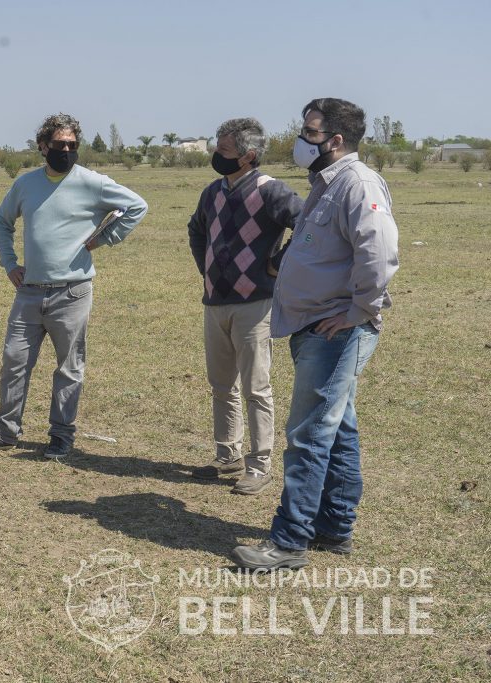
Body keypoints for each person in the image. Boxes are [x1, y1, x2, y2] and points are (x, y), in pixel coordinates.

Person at [232, 98, 399, 569]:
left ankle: (288, 542)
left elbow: (380, 251)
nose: (301, 140)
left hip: (336, 330)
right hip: (312, 325)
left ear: (336, 140)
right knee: (338, 429)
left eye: (309, 132)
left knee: (308, 434)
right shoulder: (326, 184)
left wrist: (357, 311)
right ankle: (334, 527)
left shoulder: (358, 183)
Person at [0, 113, 148, 459]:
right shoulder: (25, 184)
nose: (65, 150)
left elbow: (137, 206)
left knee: (69, 367)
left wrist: (107, 238)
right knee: (14, 361)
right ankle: (6, 431)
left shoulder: (91, 182)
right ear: (42, 146)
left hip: (73, 291)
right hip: (29, 291)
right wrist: (9, 264)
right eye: (58, 144)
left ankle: (61, 437)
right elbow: (1, 222)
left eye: (72, 145)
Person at [188, 118, 303, 495]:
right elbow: (197, 230)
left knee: (256, 387)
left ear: (248, 155)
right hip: (215, 302)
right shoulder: (212, 192)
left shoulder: (272, 191)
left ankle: (260, 464)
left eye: (222, 151)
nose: (216, 156)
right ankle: (227, 455)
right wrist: (207, 268)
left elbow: (305, 225)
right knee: (221, 384)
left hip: (256, 304)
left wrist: (277, 264)